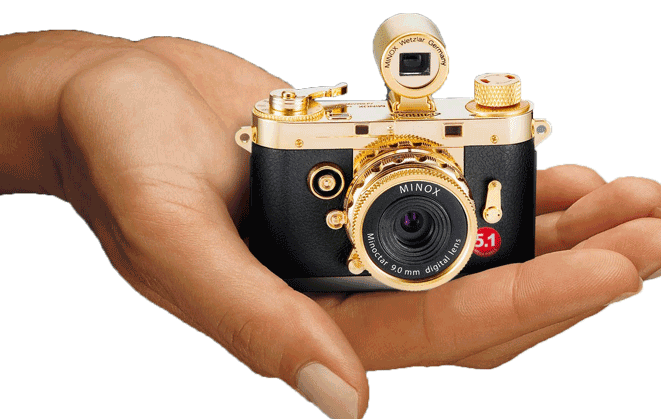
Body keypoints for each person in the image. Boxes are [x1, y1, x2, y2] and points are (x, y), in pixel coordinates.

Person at [1, 31, 660, 419]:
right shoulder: (288, 130)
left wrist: (64, 82)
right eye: (411, 225)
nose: (411, 224)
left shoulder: (497, 122)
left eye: (413, 225)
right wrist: (69, 92)